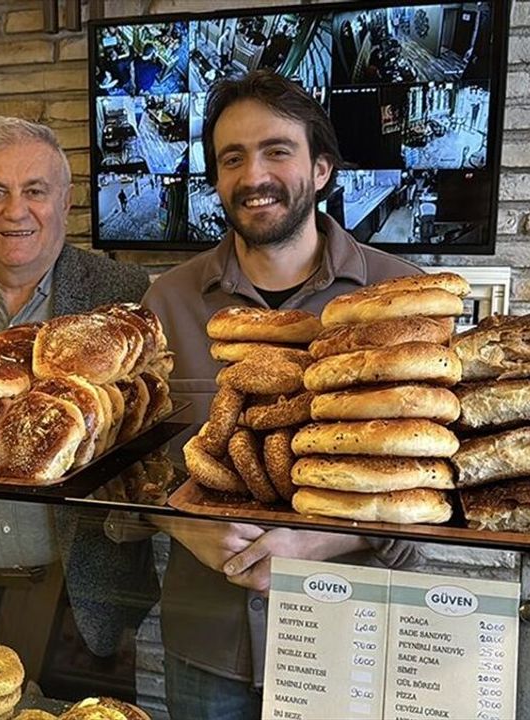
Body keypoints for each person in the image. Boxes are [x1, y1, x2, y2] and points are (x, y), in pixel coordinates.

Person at [137, 70, 424, 718]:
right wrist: (184, 524)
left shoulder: (399, 300)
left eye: (277, 151)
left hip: (348, 643)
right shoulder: (167, 302)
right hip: (207, 642)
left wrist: (317, 541)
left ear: (321, 169)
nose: (254, 175)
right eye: (232, 158)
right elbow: (133, 468)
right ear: (216, 180)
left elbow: (437, 486)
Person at [0, 117, 155, 698]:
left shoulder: (121, 290)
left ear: (66, 200)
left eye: (35, 190)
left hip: (83, 593)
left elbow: (145, 432)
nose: (15, 211)